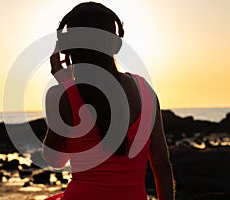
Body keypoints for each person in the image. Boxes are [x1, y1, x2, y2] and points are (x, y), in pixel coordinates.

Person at [43, 2, 176, 200]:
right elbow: (162, 164)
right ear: (117, 44)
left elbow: (56, 160)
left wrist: (66, 87)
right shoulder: (145, 91)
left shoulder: (61, 95)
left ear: (65, 46)